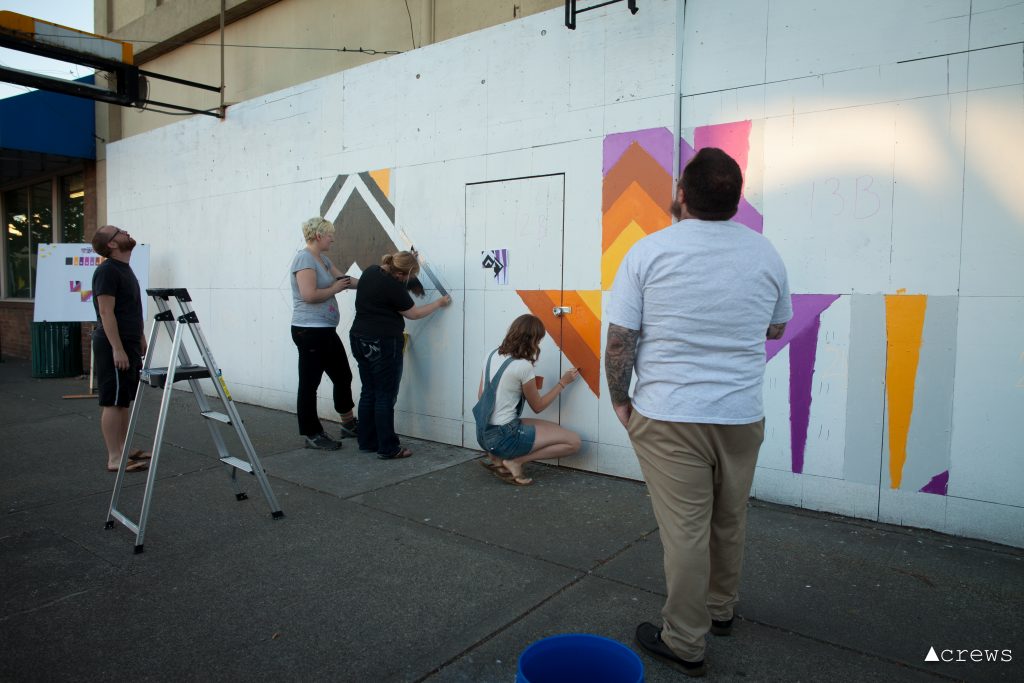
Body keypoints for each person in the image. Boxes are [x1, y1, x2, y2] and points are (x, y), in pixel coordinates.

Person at [605, 147, 792, 677]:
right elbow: (775, 327)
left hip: (669, 413)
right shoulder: (765, 253)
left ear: (682, 195)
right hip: (741, 412)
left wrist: (622, 401)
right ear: (736, 200)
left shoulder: (649, 252)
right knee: (729, 518)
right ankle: (719, 610)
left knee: (685, 530)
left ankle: (686, 641)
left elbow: (621, 341)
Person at [349, 250, 451, 459]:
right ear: (402, 273)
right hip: (383, 342)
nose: (409, 280)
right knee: (385, 395)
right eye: (410, 275)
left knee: (369, 391)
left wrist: (409, 259)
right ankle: (388, 447)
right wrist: (439, 303)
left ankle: (367, 441)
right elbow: (414, 314)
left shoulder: (370, 272)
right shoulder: (392, 286)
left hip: (359, 337)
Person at [476, 314, 581, 486]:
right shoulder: (522, 366)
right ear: (532, 340)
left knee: (554, 429)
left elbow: (481, 396)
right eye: (538, 341)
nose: (538, 345)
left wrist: (516, 389)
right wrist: (563, 382)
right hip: (506, 437)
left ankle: (496, 456)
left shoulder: (491, 354)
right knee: (574, 442)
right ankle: (515, 461)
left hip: (483, 434)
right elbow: (538, 407)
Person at [290, 217, 359, 451]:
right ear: (318, 235)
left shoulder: (324, 260)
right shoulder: (304, 259)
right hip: (308, 331)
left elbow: (346, 280)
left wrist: (374, 280)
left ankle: (348, 424)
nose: (333, 238)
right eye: (330, 234)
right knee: (310, 384)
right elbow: (308, 295)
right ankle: (312, 433)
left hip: (325, 331)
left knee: (343, 376)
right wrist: (334, 289)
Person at [91, 225, 149, 473]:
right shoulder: (106, 271)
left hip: (128, 341)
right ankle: (115, 457)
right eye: (120, 232)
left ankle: (124, 447)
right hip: (113, 343)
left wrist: (140, 337)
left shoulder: (124, 269)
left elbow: (131, 309)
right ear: (112, 244)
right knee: (113, 400)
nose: (126, 233)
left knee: (123, 399)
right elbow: (106, 312)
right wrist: (117, 348)